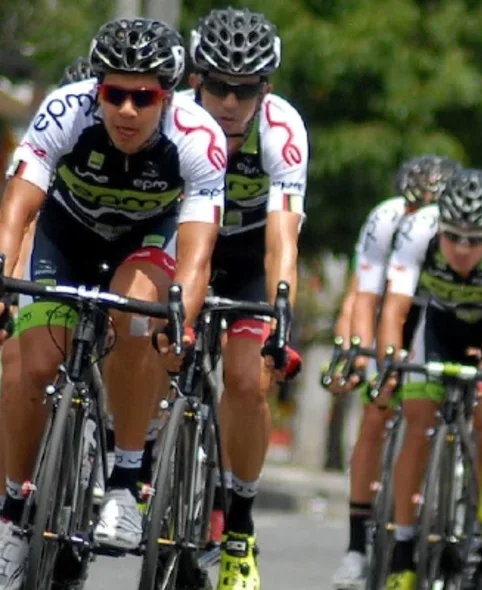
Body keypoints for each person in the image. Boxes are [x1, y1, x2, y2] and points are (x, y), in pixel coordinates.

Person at [0, 18, 225, 590]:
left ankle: (127, 480)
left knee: (138, 315)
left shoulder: (198, 137)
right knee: (32, 370)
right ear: (97, 89)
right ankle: (12, 521)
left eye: (144, 97)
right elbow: (15, 213)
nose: (127, 110)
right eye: (114, 93)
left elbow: (198, 254)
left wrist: (181, 317)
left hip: (148, 241)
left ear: (169, 95)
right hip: (67, 234)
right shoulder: (64, 111)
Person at [186, 8, 308, 588]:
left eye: (245, 89)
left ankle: (238, 524)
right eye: (216, 85)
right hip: (187, 248)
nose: (229, 102)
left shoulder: (283, 130)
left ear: (267, 89)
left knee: (244, 381)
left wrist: (281, 308)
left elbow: (284, 234)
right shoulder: (174, 121)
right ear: (194, 80)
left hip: (249, 261)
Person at [374, 168, 482, 590]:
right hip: (441, 325)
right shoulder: (417, 231)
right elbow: (394, 310)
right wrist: (389, 362)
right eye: (453, 237)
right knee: (417, 421)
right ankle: (404, 552)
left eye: (474, 240)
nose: (462, 249)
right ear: (439, 227)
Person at [329, 155, 460, 588]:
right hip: (392, 311)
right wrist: (360, 356)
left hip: (442, 315)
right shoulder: (384, 219)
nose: (418, 220)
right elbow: (360, 299)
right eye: (412, 207)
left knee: (432, 411)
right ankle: (355, 546)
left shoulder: (457, 235)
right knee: (374, 412)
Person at [0, 55, 98, 520]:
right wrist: (1, 295)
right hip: (50, 250)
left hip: (113, 254)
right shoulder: (53, 130)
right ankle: (7, 511)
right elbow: (17, 221)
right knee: (17, 373)